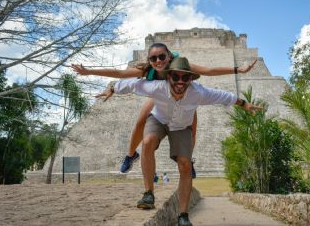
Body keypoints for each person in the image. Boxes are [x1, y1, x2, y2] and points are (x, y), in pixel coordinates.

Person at [100, 57, 262, 226]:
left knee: (185, 165)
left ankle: (183, 215)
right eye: (175, 77)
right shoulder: (157, 87)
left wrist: (244, 104)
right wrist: (112, 88)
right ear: (168, 77)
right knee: (147, 141)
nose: (180, 81)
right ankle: (148, 193)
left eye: (185, 77)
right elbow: (132, 84)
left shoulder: (198, 92)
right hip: (158, 120)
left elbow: (223, 96)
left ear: (191, 79)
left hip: (181, 126)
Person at [71, 43, 257, 175]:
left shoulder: (181, 66)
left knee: (191, 130)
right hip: (159, 96)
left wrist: (237, 70)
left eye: (162, 57)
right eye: (154, 58)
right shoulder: (147, 71)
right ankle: (130, 155)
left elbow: (208, 71)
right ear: (149, 60)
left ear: (169, 56)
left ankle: (188, 160)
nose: (158, 61)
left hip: (183, 98)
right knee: (141, 121)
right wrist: (90, 72)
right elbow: (120, 74)